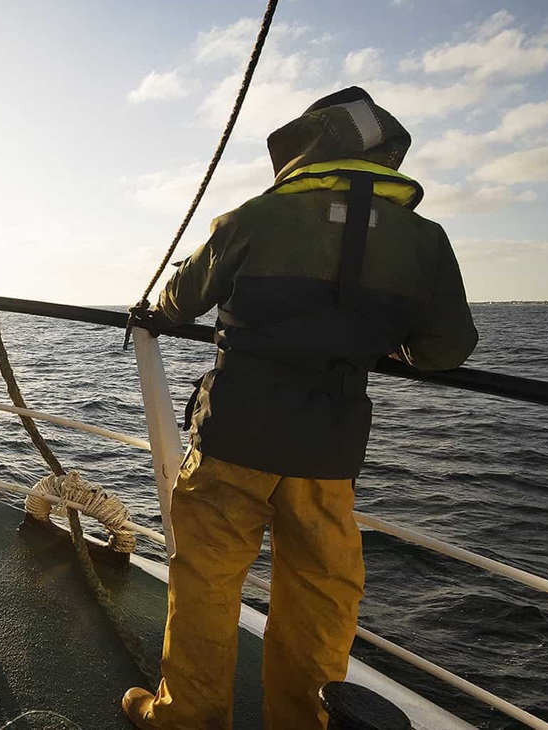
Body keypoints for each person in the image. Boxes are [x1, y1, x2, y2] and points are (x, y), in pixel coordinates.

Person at [122, 87, 479, 729]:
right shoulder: (426, 240)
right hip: (329, 447)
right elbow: (446, 348)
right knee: (319, 595)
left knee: (205, 583)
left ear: (305, 147)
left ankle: (187, 719)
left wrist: (166, 304)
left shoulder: (254, 218)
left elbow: (179, 301)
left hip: (235, 437)